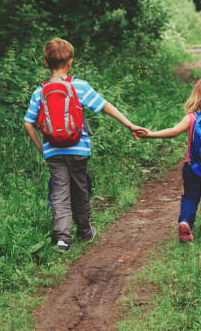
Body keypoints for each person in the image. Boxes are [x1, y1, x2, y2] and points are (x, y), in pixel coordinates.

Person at [24, 38, 147, 252]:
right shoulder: (79, 86)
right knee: (80, 189)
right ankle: (85, 231)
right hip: (79, 149)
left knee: (59, 192)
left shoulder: (40, 91)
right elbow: (105, 106)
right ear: (70, 62)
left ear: (45, 63)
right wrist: (130, 125)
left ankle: (63, 239)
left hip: (53, 151)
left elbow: (28, 123)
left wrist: (43, 149)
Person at [137, 78, 201, 242]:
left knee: (191, 196)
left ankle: (185, 222)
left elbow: (173, 131)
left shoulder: (192, 117)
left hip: (192, 166)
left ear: (195, 97)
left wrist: (150, 134)